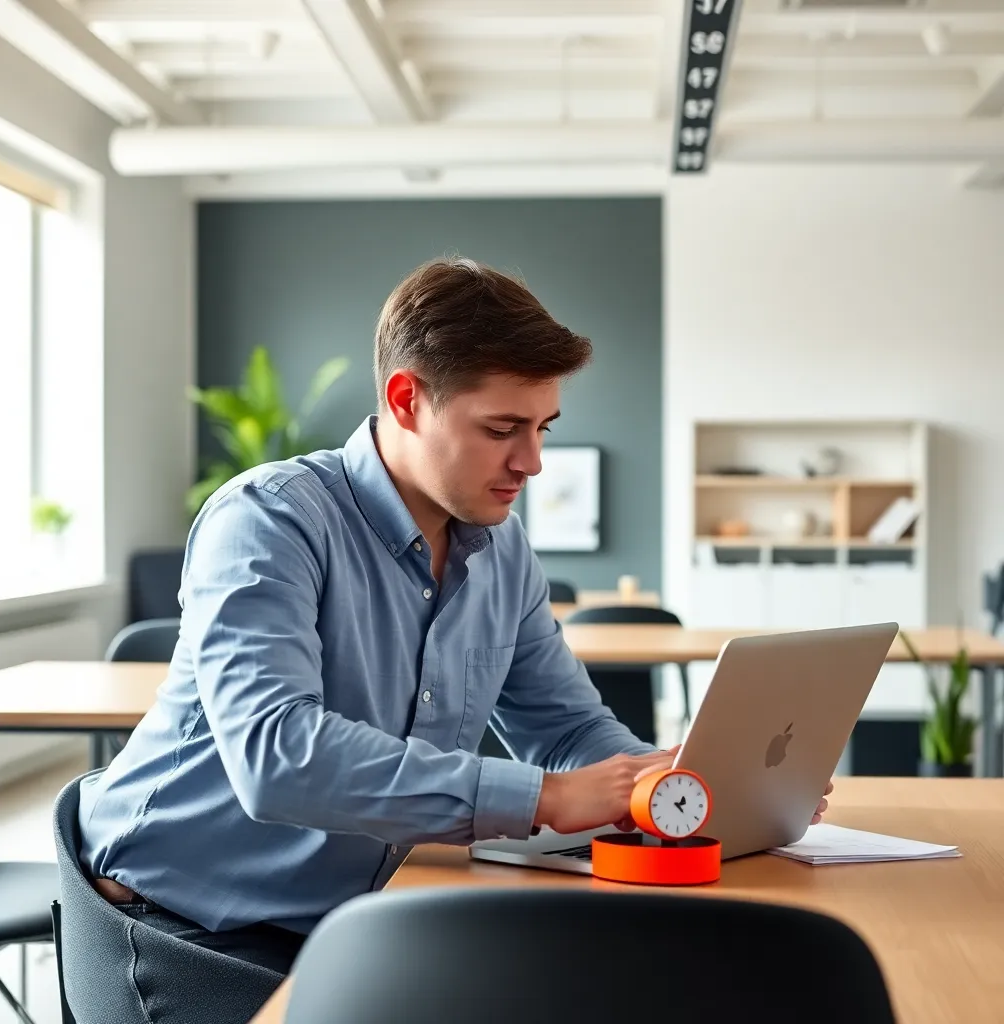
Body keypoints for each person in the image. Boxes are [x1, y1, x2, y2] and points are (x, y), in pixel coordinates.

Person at [77, 258, 830, 1020]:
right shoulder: (270, 519)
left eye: (542, 429)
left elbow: (564, 726)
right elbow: (278, 755)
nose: (532, 462)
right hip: (187, 932)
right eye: (502, 429)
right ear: (407, 400)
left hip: (354, 916)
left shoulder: (501, 550)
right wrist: (546, 797)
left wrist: (664, 782)